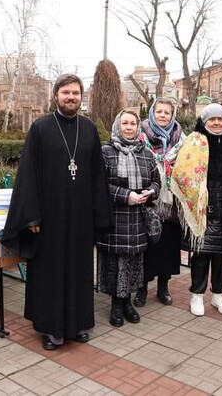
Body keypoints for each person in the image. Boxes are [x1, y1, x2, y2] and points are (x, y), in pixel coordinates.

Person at [2, 74, 111, 351]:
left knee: (78, 271)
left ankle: (77, 325)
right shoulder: (40, 128)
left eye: (75, 93)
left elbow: (98, 175)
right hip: (49, 219)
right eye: (65, 92)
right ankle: (50, 328)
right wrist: (31, 216)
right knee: (50, 273)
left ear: (81, 97)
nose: (71, 97)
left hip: (80, 219)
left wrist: (99, 215)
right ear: (56, 95)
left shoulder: (88, 129)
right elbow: (28, 174)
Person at [171, 103, 222, 316]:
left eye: (219, 119)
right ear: (204, 122)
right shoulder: (195, 141)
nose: (216, 123)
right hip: (203, 207)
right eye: (211, 119)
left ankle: (218, 295)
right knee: (201, 254)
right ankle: (196, 294)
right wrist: (199, 199)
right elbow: (182, 173)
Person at [96, 110, 161, 327]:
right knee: (116, 262)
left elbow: (156, 181)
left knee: (133, 262)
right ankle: (116, 304)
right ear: (117, 125)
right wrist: (126, 196)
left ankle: (128, 303)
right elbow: (99, 185)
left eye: (133, 123)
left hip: (138, 219)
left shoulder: (146, 153)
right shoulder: (106, 152)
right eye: (125, 123)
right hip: (115, 217)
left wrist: (150, 192)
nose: (129, 127)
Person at [134, 98, 186, 307]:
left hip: (172, 203)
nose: (163, 115)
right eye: (159, 112)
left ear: (172, 115)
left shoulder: (182, 140)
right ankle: (142, 288)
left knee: (168, 247)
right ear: (152, 113)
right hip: (147, 201)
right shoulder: (140, 137)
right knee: (147, 247)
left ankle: (163, 287)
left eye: (167, 112)